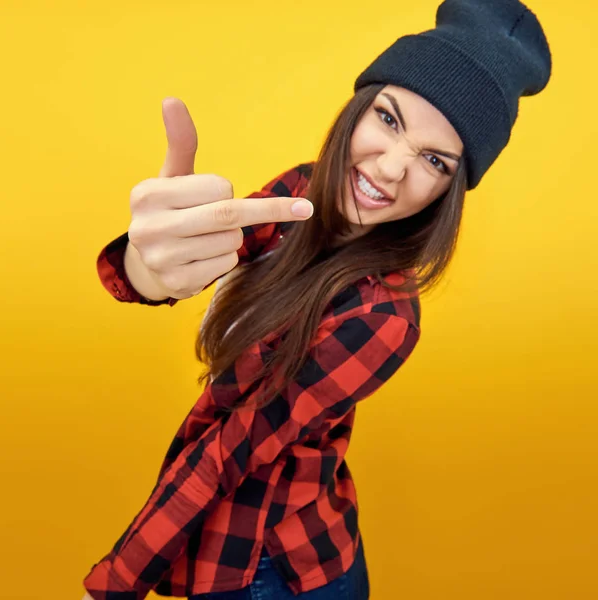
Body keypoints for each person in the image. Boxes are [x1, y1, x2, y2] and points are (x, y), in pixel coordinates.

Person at [82, 1, 552, 598]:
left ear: (450, 190)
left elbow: (230, 450)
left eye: (435, 161)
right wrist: (144, 268)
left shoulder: (386, 319)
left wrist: (114, 582)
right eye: (389, 118)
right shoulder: (298, 193)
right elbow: (198, 255)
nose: (391, 168)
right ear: (358, 108)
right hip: (219, 543)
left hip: (277, 571)